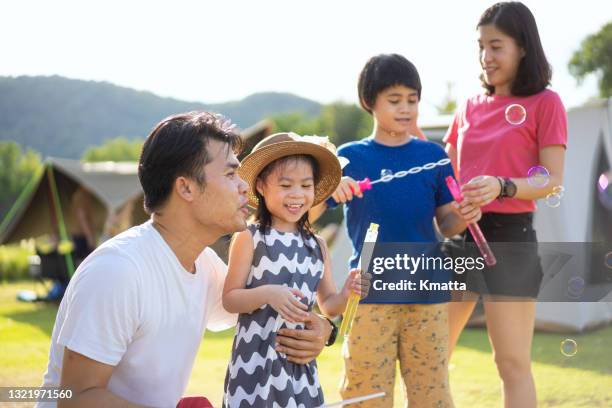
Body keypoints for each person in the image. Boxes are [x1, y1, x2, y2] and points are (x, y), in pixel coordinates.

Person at [37, 112, 335, 408]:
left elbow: (261, 307)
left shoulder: (204, 266)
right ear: (186, 187)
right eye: (231, 175)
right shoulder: (118, 271)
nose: (245, 186)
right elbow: (75, 398)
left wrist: (325, 331)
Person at [312, 54, 481, 407]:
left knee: (431, 391)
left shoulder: (434, 156)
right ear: (369, 102)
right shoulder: (349, 157)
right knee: (365, 392)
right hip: (369, 293)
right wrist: (330, 188)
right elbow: (307, 215)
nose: (406, 109)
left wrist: (464, 216)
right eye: (394, 100)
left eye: (412, 100)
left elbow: (447, 223)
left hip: (428, 292)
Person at [444, 3, 567, 407]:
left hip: (511, 240)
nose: (486, 57)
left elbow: (550, 180)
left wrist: (502, 186)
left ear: (523, 48)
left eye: (496, 46)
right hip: (460, 238)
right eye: (481, 46)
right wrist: (453, 205)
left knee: (511, 364)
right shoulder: (468, 106)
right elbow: (446, 171)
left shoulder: (546, 104)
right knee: (429, 355)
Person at [222, 133, 370, 407]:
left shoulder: (317, 244)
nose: (297, 194)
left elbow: (329, 307)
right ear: (262, 186)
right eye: (286, 184)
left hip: (298, 364)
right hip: (256, 362)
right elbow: (230, 298)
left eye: (306, 185)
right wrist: (268, 293)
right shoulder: (250, 236)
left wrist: (348, 292)